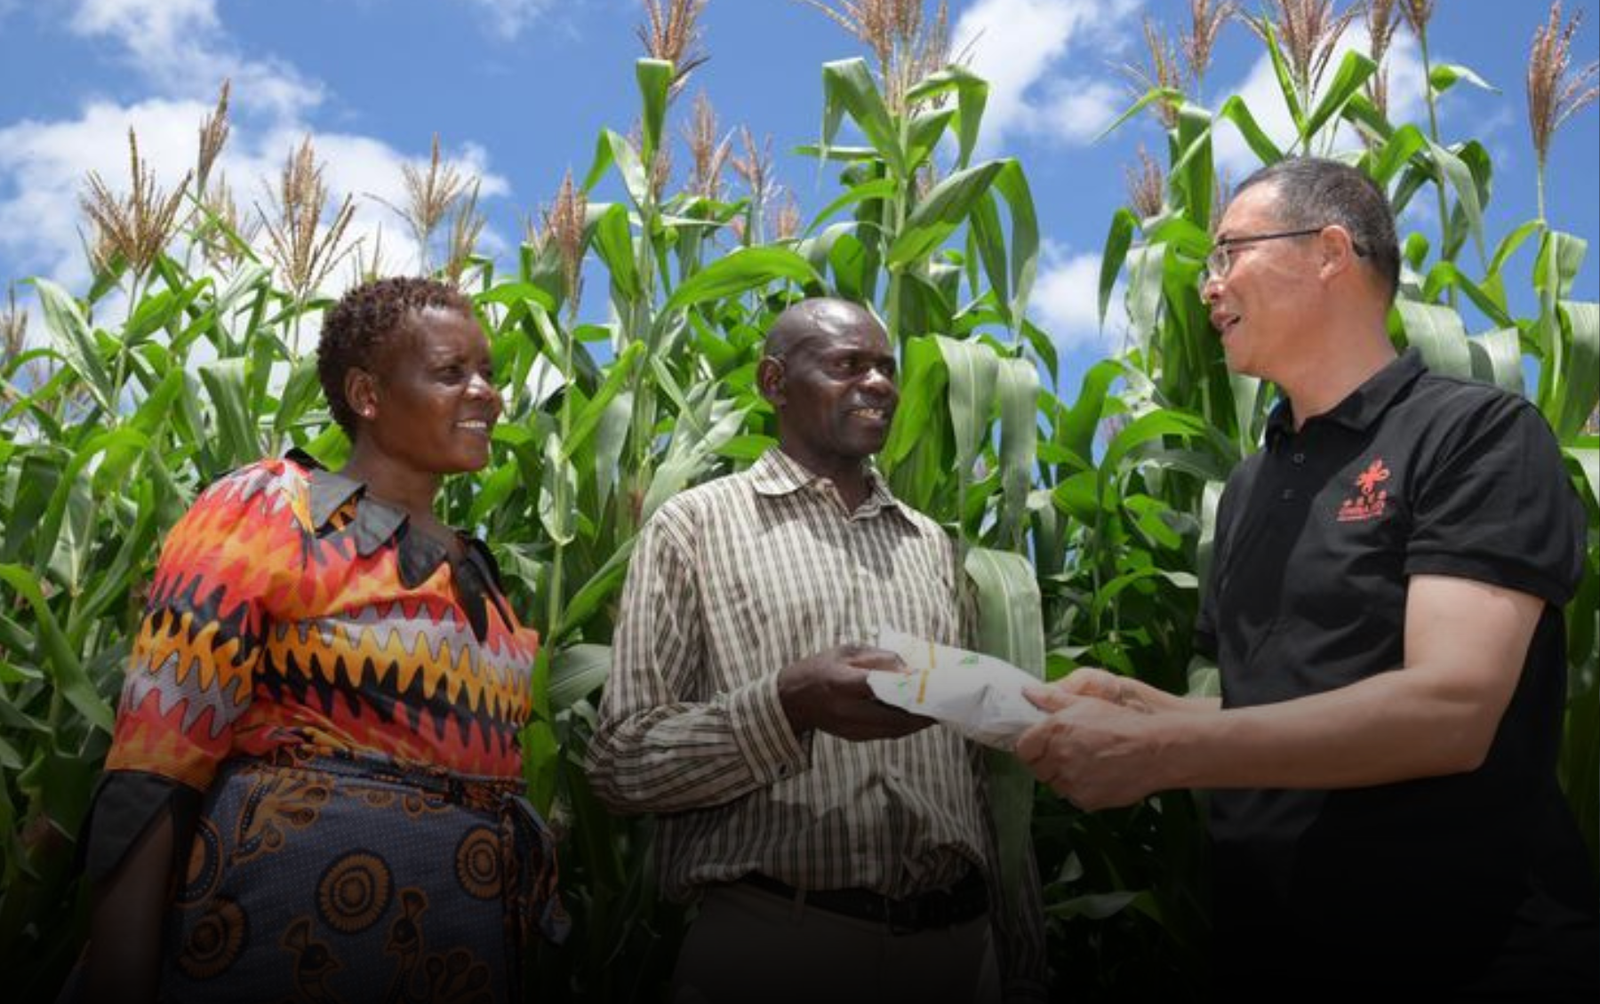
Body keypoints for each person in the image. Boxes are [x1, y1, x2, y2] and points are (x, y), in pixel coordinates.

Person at [1016, 156, 1600, 998]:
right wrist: (1144, 707)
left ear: (1329, 252)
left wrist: (1162, 750)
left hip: (1468, 953)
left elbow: (1452, 709)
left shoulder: (1475, 435)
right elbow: (1276, 704)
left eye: (1229, 253)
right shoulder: (1250, 485)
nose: (1208, 286)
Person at [68, 276, 566, 1004]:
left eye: (487, 373)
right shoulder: (272, 508)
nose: (486, 393)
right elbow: (158, 760)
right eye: (451, 372)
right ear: (367, 395)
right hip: (283, 939)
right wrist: (120, 976)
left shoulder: (479, 573)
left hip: (459, 950)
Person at [586, 297, 1047, 1004]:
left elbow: (983, 774)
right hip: (776, 946)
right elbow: (620, 763)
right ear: (774, 382)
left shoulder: (931, 545)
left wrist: (1023, 958)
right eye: (848, 365)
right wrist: (787, 706)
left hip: (959, 951)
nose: (880, 384)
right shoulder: (695, 527)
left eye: (886, 368)